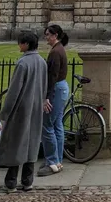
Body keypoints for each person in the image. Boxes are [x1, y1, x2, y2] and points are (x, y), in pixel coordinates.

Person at [0, 31, 47, 193]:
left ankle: (11, 182)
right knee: (32, 144)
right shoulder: (42, 62)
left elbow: (13, 92)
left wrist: (4, 114)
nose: (19, 45)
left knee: (15, 143)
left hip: (21, 109)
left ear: (26, 44)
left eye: (20, 42)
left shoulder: (23, 63)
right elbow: (44, 87)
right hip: (36, 108)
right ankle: (27, 181)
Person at [38, 24, 69, 176]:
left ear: (55, 35)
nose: (46, 38)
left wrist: (46, 98)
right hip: (62, 87)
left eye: (48, 35)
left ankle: (52, 162)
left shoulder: (56, 52)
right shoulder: (60, 48)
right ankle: (58, 161)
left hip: (56, 89)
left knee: (47, 125)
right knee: (57, 125)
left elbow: (52, 76)